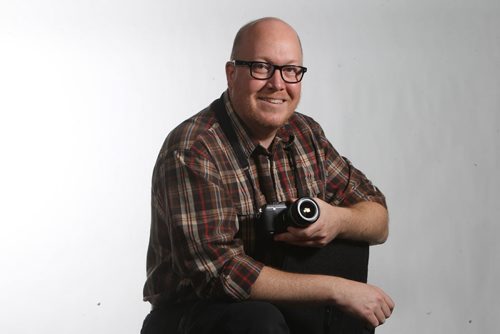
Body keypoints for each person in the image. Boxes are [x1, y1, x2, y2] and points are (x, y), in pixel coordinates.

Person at [141, 17, 394, 334]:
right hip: (194, 316)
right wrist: (337, 290)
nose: (278, 84)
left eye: (291, 70)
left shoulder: (305, 134)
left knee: (345, 253)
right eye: (261, 67)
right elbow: (219, 272)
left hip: (277, 311)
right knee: (259, 321)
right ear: (231, 74)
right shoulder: (193, 149)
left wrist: (337, 221)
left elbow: (378, 218)